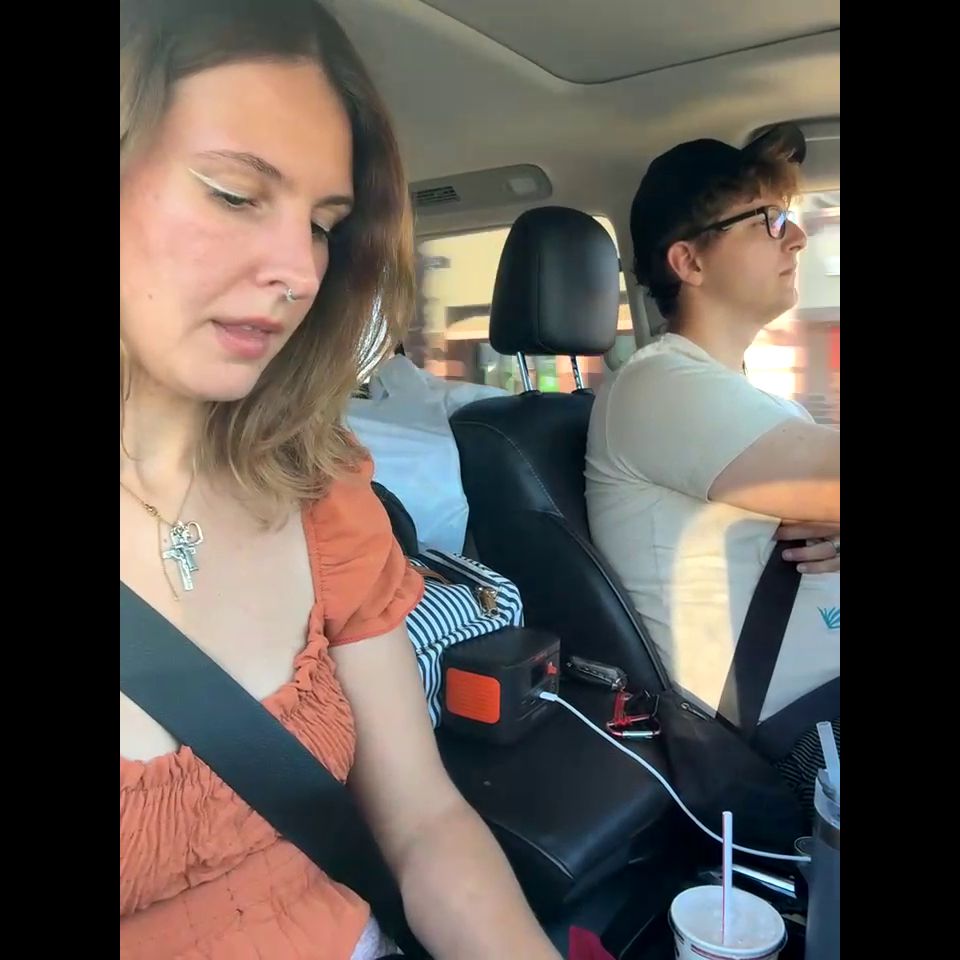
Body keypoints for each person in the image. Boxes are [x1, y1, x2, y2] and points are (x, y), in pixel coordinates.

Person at [119, 2, 562, 958]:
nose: (298, 270)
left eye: (324, 225)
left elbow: (425, 822)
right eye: (235, 194)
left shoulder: (320, 489)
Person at [585, 125, 839, 805]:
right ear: (689, 262)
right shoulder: (657, 386)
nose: (796, 237)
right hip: (787, 744)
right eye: (768, 220)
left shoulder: (765, 403)